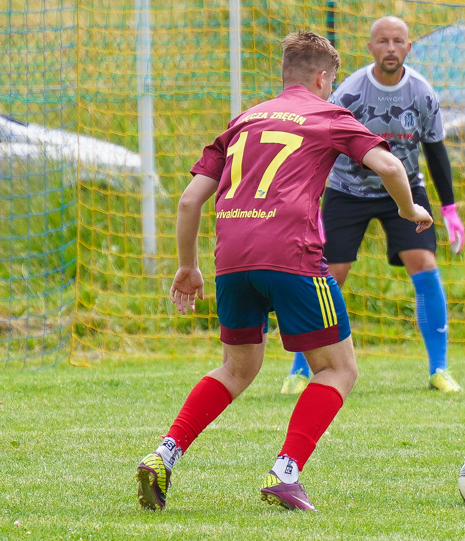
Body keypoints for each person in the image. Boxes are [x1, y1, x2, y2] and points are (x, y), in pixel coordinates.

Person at [135, 30, 432, 512]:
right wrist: (408, 210)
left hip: (231, 260)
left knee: (237, 367)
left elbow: (190, 199)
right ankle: (286, 472)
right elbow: (391, 167)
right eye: (331, 82)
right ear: (321, 78)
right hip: (292, 258)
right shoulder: (329, 114)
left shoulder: (244, 120)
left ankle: (164, 452)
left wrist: (188, 266)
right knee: (338, 369)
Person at [280, 16, 465, 396]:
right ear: (371, 48)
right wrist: (309, 199)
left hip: (405, 189)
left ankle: (440, 370)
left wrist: (449, 209)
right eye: (383, 41)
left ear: (409, 48)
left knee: (424, 263)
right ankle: (300, 370)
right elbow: (321, 144)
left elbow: (435, 149)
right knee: (329, 274)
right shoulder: (348, 93)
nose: (391, 48)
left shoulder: (422, 92)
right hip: (348, 191)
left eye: (399, 41)